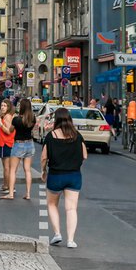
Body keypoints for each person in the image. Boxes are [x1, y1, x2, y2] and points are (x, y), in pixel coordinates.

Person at [41, 106, 86, 248]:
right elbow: (84, 155)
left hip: (56, 175)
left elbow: (43, 157)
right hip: (74, 175)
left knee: (52, 204)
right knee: (71, 208)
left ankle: (57, 234)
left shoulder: (51, 136)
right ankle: (71, 240)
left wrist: (43, 170)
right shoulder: (77, 135)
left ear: (56, 120)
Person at [6, 98, 36, 201]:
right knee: (27, 170)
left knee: (13, 170)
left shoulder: (16, 119)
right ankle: (28, 194)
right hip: (30, 144)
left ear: (21, 107)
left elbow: (10, 130)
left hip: (19, 144)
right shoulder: (33, 118)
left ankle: (10, 194)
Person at [0, 100, 16, 197]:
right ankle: (8, 185)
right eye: (2, 105)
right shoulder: (7, 116)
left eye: (5, 106)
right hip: (6, 143)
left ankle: (7, 186)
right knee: (7, 167)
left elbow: (8, 131)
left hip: (6, 143)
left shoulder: (7, 117)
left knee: (6, 167)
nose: (3, 107)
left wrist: (0, 123)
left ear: (9, 107)